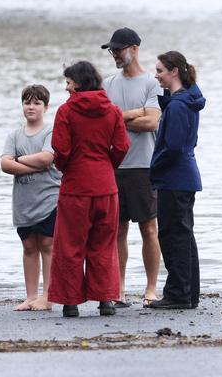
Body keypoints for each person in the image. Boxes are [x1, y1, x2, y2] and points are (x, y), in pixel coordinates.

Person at [48, 61, 130, 317]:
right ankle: (105, 299)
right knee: (104, 244)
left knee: (70, 244)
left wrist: (66, 168)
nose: (67, 87)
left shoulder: (66, 111)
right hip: (105, 185)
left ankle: (70, 303)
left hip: (76, 186)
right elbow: (122, 146)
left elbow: (60, 149)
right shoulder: (113, 111)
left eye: (69, 82)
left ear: (79, 83)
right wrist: (107, 165)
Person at [101, 27, 162, 307]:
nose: (115, 54)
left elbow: (152, 122)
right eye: (112, 50)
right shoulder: (108, 84)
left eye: (119, 49)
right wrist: (130, 115)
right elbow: (102, 123)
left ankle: (151, 288)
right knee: (117, 230)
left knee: (149, 228)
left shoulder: (152, 83)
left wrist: (118, 119)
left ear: (135, 48)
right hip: (113, 165)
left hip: (143, 165)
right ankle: (119, 288)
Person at [147, 51, 205, 310]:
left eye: (160, 70)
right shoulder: (182, 100)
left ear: (173, 71)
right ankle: (187, 293)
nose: (156, 75)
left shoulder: (180, 105)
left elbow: (175, 146)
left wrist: (154, 167)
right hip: (181, 177)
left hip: (175, 178)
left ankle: (179, 293)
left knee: (173, 236)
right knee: (182, 234)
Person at [0, 85, 61, 311]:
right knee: (28, 246)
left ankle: (48, 295)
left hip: (49, 199)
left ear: (46, 106)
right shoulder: (14, 135)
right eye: (27, 102)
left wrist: (21, 159)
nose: (31, 107)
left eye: (36, 103)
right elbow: (5, 163)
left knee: (47, 244)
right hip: (23, 202)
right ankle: (31, 295)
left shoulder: (50, 132)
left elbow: (47, 158)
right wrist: (31, 165)